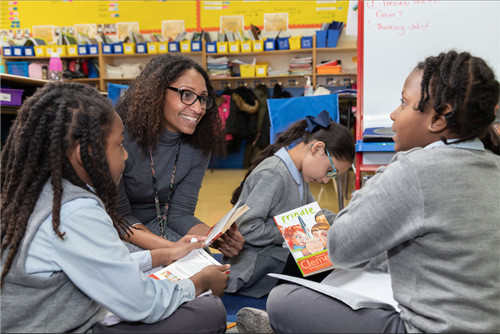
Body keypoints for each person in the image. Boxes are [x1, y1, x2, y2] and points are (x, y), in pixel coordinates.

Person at [259, 51, 500, 333]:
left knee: (282, 300)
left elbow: (339, 248)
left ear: (439, 118)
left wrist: (391, 168)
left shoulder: (412, 169)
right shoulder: (493, 164)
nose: (393, 114)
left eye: (404, 103)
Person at [0, 82, 230, 333]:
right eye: (119, 145)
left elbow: (102, 264)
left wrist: (165, 255)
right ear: (83, 152)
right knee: (208, 311)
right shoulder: (76, 211)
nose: (126, 156)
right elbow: (142, 303)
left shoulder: (45, 193)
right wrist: (200, 282)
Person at [115, 54, 245, 257]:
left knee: (206, 266)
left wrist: (214, 237)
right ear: (157, 92)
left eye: (202, 98)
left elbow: (179, 213)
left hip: (161, 225)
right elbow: (119, 217)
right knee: (143, 273)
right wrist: (170, 250)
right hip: (118, 229)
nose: (198, 108)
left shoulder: (199, 145)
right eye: (186, 94)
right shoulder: (119, 139)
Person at [222, 110, 355, 298]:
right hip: (254, 265)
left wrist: (348, 220)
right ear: (317, 149)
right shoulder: (274, 174)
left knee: (333, 256)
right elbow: (248, 229)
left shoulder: (298, 174)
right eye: (329, 171)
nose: (326, 180)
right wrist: (291, 233)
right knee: (326, 266)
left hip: (273, 254)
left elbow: (313, 216)